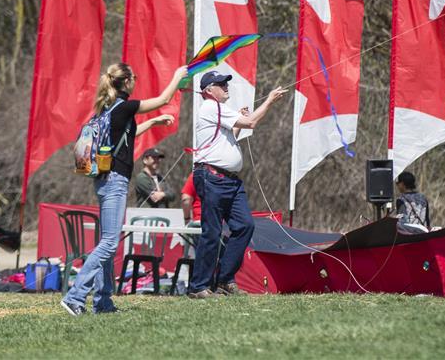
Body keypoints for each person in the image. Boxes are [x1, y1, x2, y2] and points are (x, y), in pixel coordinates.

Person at [61, 63, 187, 316]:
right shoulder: (126, 106)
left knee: (107, 241)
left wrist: (151, 123)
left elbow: (126, 136)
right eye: (135, 78)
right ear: (127, 81)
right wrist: (177, 76)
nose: (136, 82)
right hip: (115, 180)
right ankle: (75, 296)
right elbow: (164, 98)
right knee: (108, 243)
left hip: (105, 180)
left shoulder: (109, 109)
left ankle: (103, 302)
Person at [187, 71, 286, 298]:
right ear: (208, 91)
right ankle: (199, 286)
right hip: (212, 178)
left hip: (229, 181)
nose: (226, 87)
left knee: (245, 226)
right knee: (211, 232)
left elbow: (231, 134)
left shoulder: (219, 110)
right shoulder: (211, 107)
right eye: (221, 84)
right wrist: (269, 100)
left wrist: (238, 122)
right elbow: (251, 122)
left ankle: (224, 280)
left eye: (225, 83)